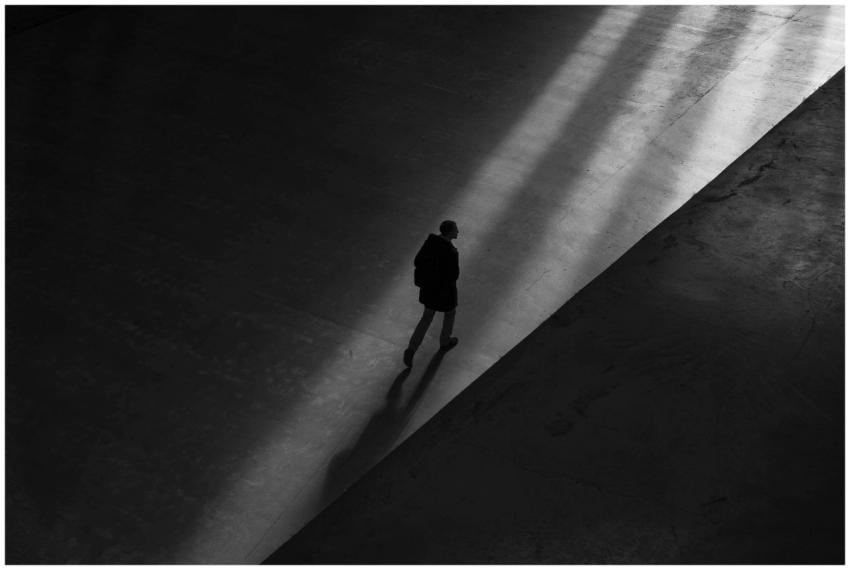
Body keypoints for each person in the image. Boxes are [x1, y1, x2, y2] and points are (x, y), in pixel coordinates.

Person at [404, 220, 460, 368]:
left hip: (429, 289)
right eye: (456, 230)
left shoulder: (430, 243)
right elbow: (454, 275)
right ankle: (444, 341)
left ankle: (411, 348)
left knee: (426, 318)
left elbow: (417, 261)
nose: (458, 232)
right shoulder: (452, 252)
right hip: (444, 293)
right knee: (450, 313)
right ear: (449, 232)